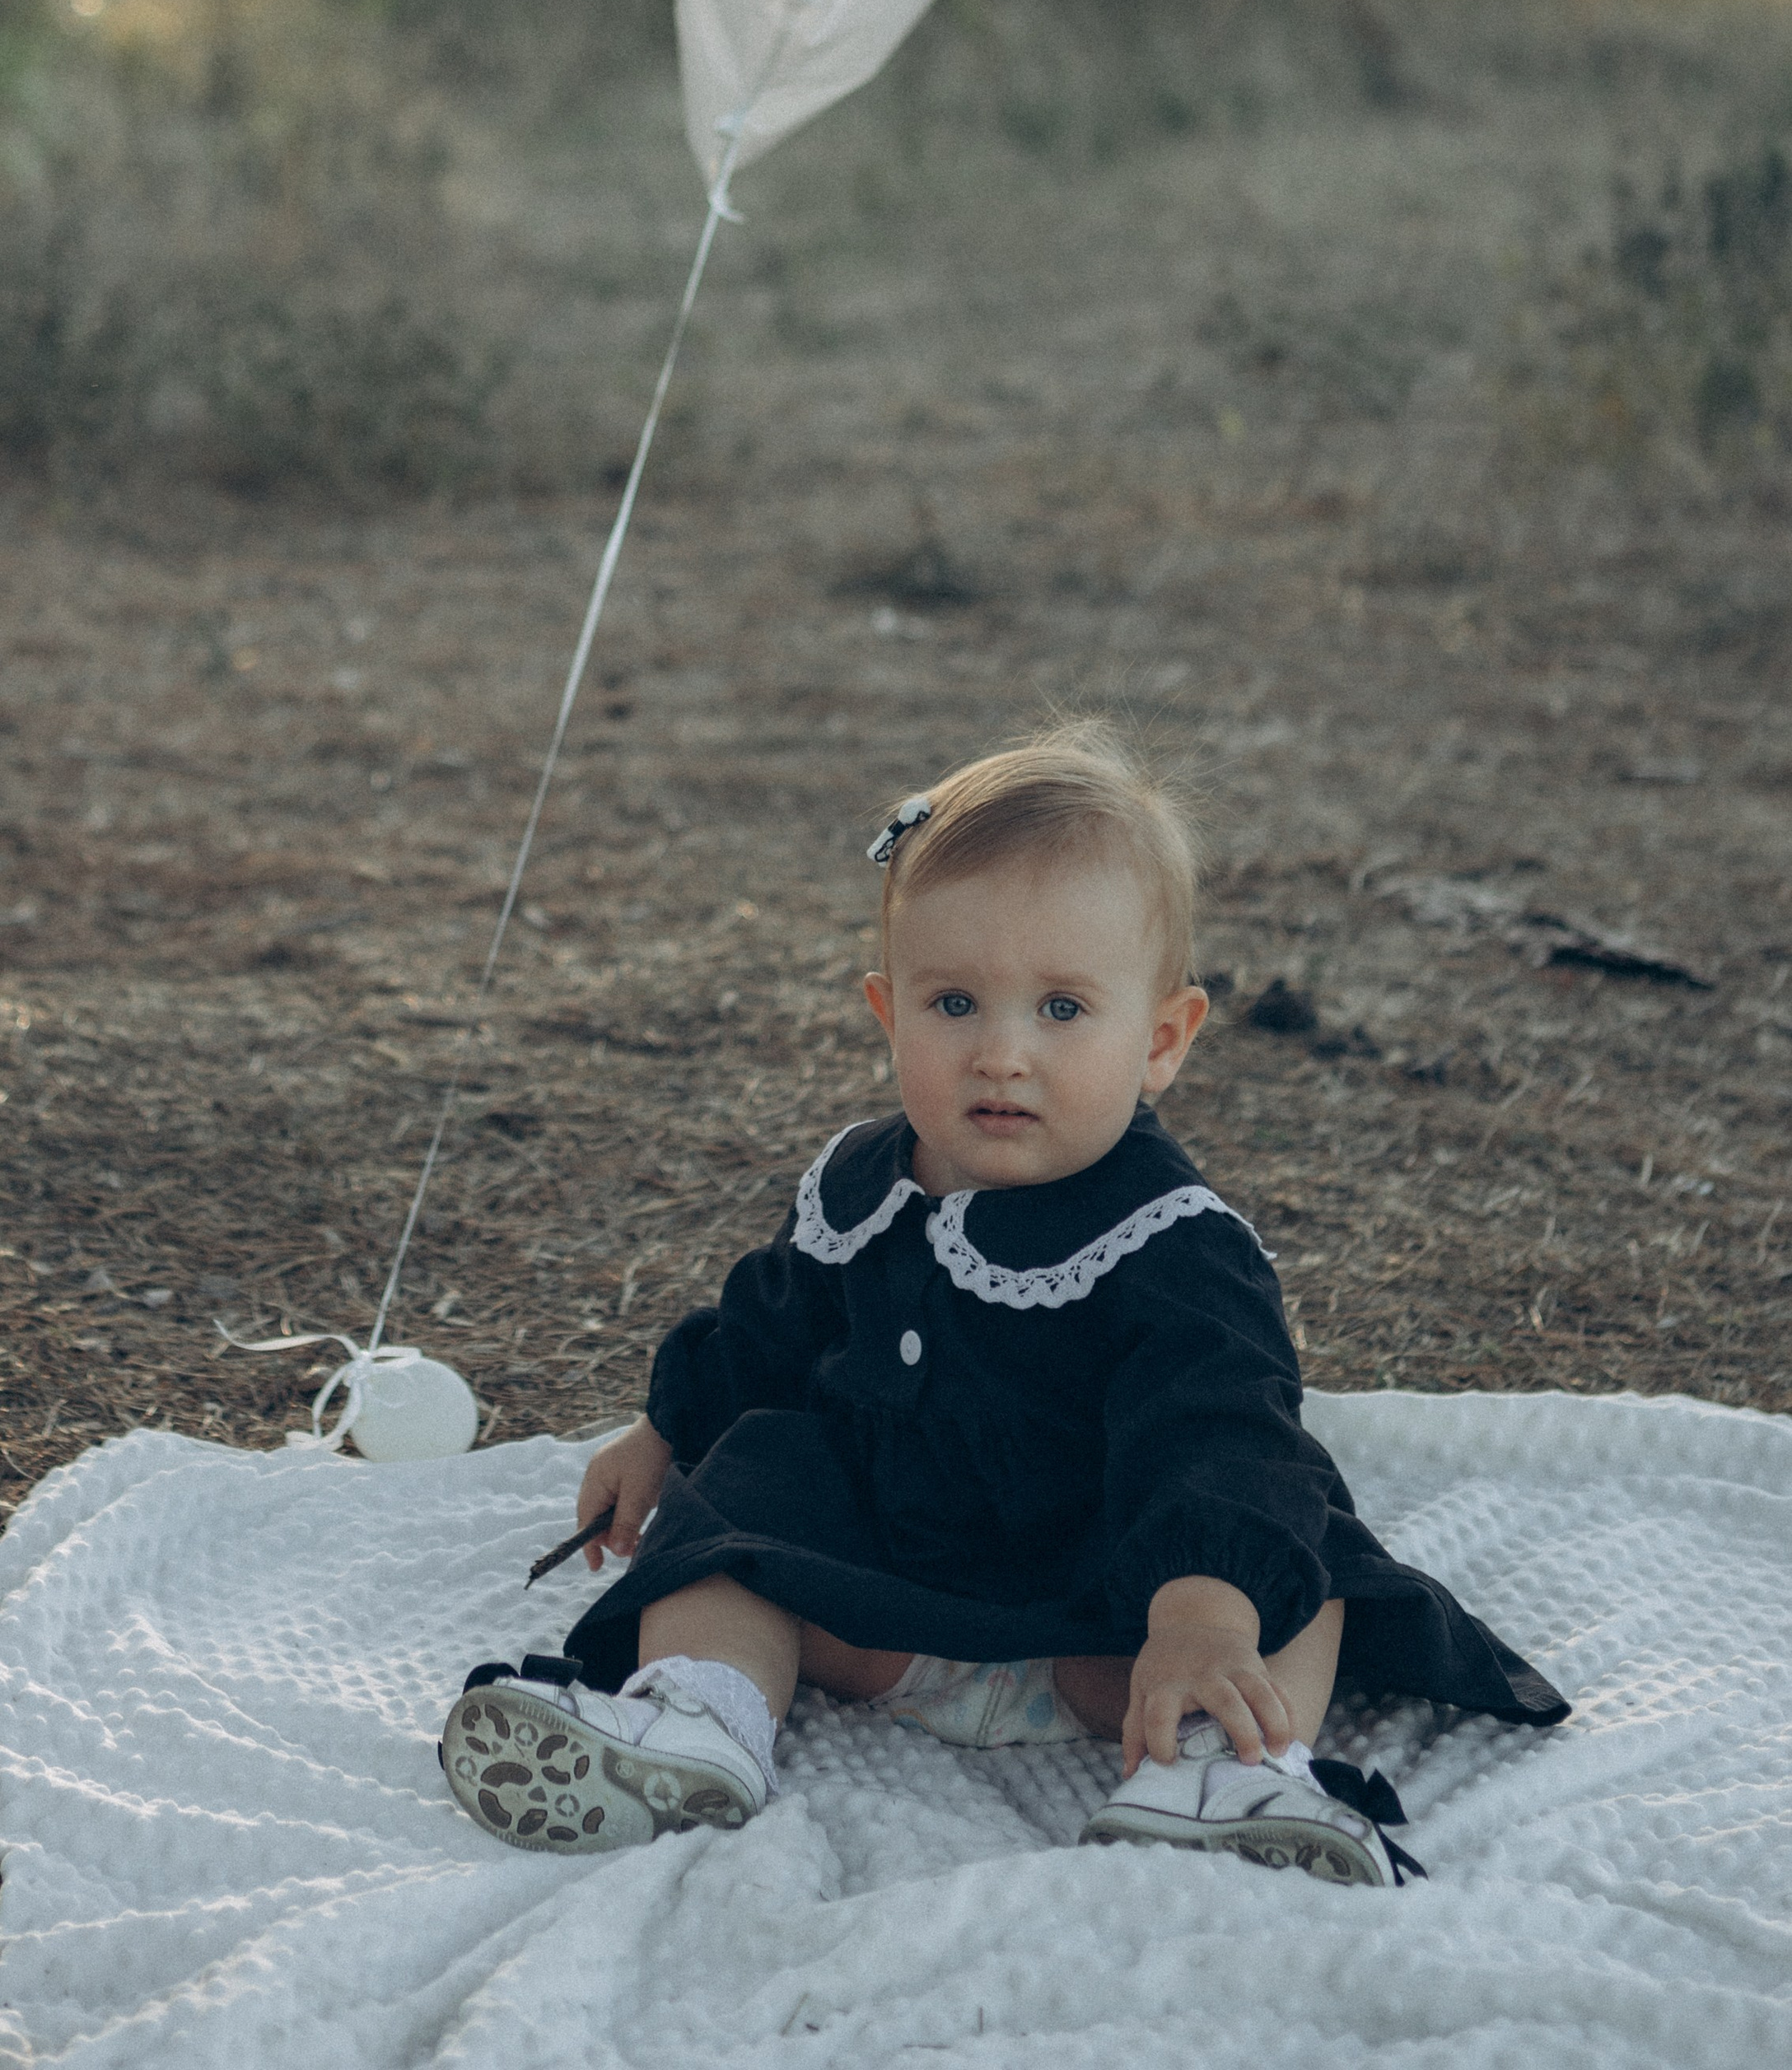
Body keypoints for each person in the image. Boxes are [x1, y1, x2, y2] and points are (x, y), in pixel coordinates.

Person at [439, 725, 1567, 1882]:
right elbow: (766, 1335)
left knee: (1301, 1555)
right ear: (888, 1012)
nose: (1002, 1055)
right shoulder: (860, 1186)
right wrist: (664, 1431)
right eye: (956, 1003)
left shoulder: (1173, 1241)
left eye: (1064, 1010)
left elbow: (1217, 1431)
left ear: (1163, 1039)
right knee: (750, 1482)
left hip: (1110, 1638)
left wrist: (1198, 1615)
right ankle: (702, 1717)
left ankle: (1217, 1762)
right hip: (875, 1619)